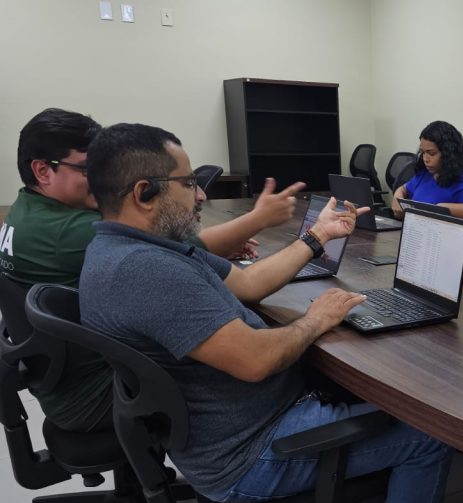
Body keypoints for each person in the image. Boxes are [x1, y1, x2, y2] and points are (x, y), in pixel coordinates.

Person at [79, 123, 452, 503]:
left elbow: (249, 283)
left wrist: (317, 237)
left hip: (229, 431)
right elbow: (256, 360)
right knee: (432, 431)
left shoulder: (134, 248)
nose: (200, 195)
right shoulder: (146, 271)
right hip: (252, 454)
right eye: (189, 183)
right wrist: (316, 318)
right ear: (144, 193)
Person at [0, 108, 297, 432]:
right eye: (88, 168)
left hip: (64, 381)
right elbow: (186, 246)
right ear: (43, 170)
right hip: (99, 391)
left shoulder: (24, 212)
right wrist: (259, 218)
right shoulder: (71, 233)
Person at [390, 120, 463, 222]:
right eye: (423, 153)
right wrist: (397, 197)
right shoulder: (424, 175)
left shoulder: (460, 180)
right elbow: (403, 189)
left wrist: (441, 208)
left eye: (432, 153)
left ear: (448, 154)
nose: (425, 159)